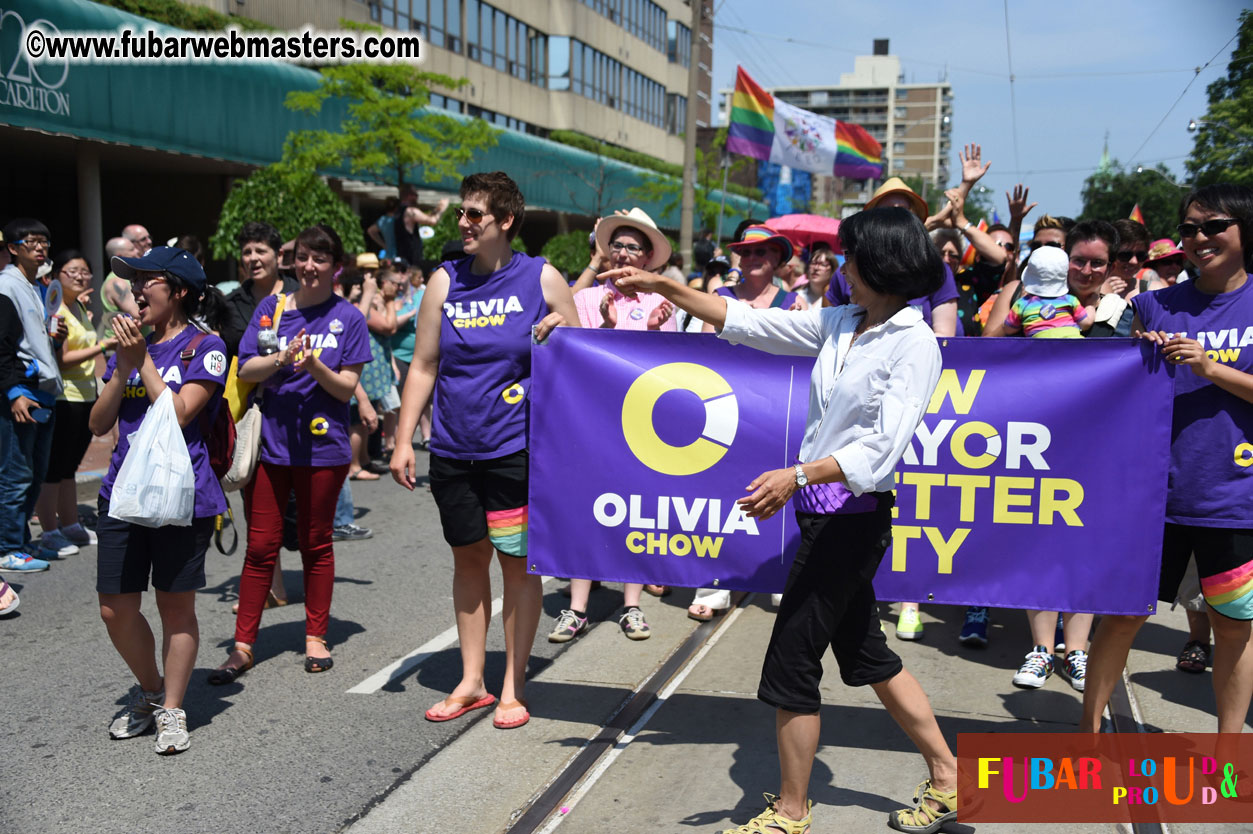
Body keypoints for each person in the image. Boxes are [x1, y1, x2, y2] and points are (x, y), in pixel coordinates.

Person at [611, 207, 958, 834]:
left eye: (851, 256)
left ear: (879, 263)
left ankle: (791, 811)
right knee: (866, 653)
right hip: (823, 513)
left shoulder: (913, 341)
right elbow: (747, 321)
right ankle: (949, 776)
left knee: (792, 662)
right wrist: (666, 286)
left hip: (854, 517)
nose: (841, 266)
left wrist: (797, 475)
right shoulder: (843, 321)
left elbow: (882, 448)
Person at [390, 171, 576, 731]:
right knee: (468, 559)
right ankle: (472, 680)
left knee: (516, 565)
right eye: (462, 214)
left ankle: (512, 685)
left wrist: (562, 330)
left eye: (475, 214)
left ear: (507, 220)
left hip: (516, 449)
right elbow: (423, 365)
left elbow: (580, 357)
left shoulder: (541, 277)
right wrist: (403, 440)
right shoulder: (444, 282)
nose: (463, 223)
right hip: (452, 449)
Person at [1082, 184, 1253, 737]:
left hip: (1235, 501)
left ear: (1244, 230)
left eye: (1213, 226)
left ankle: (1231, 757)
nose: (1198, 239)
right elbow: (1099, 381)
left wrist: (1210, 370)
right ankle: (1088, 738)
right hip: (1152, 498)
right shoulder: (1154, 305)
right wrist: (1130, 347)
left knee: (1232, 628)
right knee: (1123, 617)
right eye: (1188, 229)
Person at [211, 225, 372, 683]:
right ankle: (242, 646)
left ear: (335, 266)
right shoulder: (272, 309)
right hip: (272, 446)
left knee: (316, 542)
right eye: (302, 257)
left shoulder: (349, 318)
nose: (310, 266)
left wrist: (314, 363)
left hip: (325, 449)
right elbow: (249, 368)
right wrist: (283, 358)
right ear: (292, 261)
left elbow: (345, 389)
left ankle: (316, 637)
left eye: (320, 258)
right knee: (261, 545)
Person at [88, 245, 227, 755]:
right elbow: (98, 424)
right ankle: (150, 691)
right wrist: (123, 367)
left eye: (148, 280)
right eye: (133, 279)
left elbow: (182, 412)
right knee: (113, 607)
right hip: (122, 493)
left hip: (180, 496)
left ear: (180, 291)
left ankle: (172, 708)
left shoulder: (205, 347)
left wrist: (140, 361)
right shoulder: (129, 347)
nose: (136, 289)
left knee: (174, 606)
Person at [552, 208, 675, 644]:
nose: (624, 253)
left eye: (633, 247)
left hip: (642, 425)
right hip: (592, 422)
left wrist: (660, 332)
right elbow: (569, 353)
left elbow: (672, 373)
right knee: (590, 508)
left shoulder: (661, 303)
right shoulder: (584, 298)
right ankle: (576, 607)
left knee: (635, 510)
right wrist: (602, 325)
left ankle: (632, 606)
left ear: (646, 258)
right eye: (617, 245)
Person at [34, 251, 116, 559]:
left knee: (69, 467)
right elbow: (63, 359)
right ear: (56, 275)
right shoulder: (55, 309)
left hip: (85, 395)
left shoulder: (80, 307)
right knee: (53, 468)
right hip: (63, 396)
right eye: (72, 271)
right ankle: (50, 530)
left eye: (85, 271)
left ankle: (70, 525)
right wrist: (103, 346)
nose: (80, 276)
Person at [0, 219, 63, 575]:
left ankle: (20, 543)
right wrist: (13, 392)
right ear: (13, 247)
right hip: (21, 393)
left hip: (42, 391)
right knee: (16, 472)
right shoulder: (7, 286)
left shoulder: (32, 286)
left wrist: (55, 338)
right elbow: (2, 347)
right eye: (32, 242)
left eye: (44, 242)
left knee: (35, 473)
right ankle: (8, 547)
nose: (40, 248)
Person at [983, 247, 1090, 339]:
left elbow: (1008, 329)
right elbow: (1086, 323)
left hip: (1040, 351)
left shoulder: (1022, 304)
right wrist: (1092, 305)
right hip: (1074, 348)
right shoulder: (1070, 300)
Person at [393, 185, 448, 266]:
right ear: (409, 195)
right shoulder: (410, 211)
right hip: (411, 259)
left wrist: (437, 209)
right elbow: (432, 221)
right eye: (416, 195)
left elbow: (426, 217)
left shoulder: (398, 210)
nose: (417, 197)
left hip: (403, 256)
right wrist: (443, 208)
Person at [99, 236, 141, 342]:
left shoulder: (127, 278)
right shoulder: (118, 282)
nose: (137, 251)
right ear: (120, 256)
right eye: (132, 249)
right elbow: (137, 313)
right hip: (119, 347)